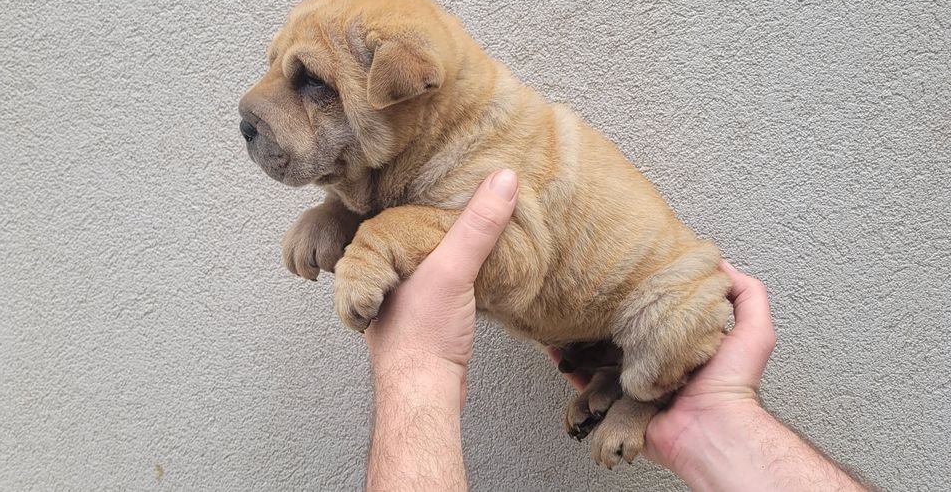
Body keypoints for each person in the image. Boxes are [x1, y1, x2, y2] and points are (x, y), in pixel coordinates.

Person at [363, 170, 867, 491]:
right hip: (601, 329)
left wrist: (418, 367)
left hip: (648, 317)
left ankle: (638, 394)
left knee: (661, 340)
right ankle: (618, 379)